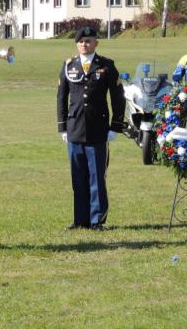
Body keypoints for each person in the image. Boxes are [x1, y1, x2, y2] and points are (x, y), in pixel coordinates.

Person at [57, 26, 125, 231]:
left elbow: (118, 97)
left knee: (97, 177)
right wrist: (62, 127)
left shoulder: (106, 65)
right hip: (75, 127)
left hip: (98, 128)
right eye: (81, 41)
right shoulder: (69, 65)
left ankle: (97, 220)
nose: (84, 44)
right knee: (78, 177)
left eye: (88, 41)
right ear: (76, 44)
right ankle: (80, 220)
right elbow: (61, 97)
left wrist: (116, 126)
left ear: (96, 43)